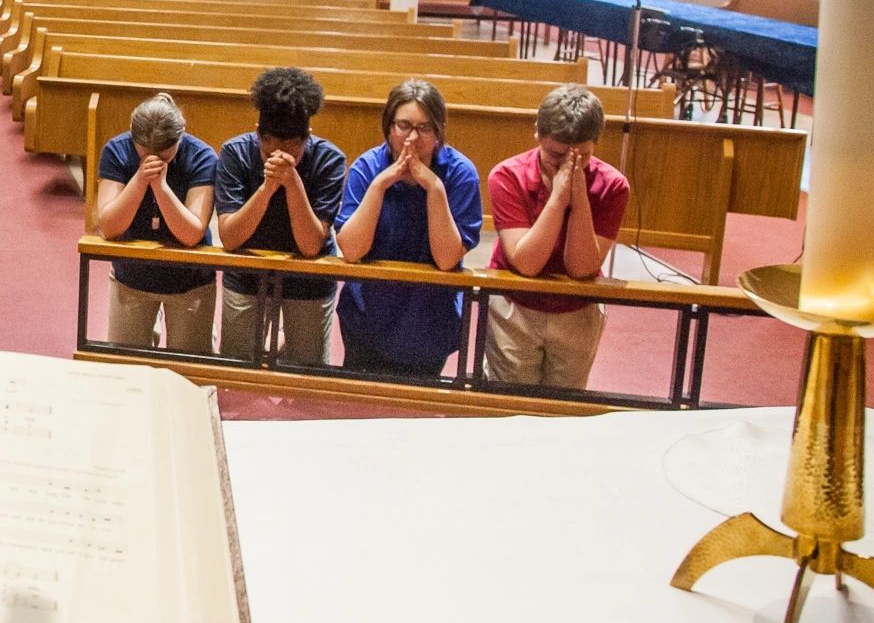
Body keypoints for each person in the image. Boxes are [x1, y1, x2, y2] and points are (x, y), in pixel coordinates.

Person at [485, 84, 632, 389]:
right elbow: (526, 263)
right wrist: (558, 199)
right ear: (537, 131)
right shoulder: (507, 175)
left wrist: (578, 198)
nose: (567, 166)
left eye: (581, 158)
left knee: (563, 409)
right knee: (509, 405)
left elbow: (581, 269)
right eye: (555, 156)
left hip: (576, 311)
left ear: (596, 142)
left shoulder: (613, 186)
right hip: (516, 307)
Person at [335, 80, 484, 377]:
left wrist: (435, 188)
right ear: (389, 127)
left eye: (425, 128)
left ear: (439, 131)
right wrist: (379, 185)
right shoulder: (367, 168)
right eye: (404, 125)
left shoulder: (460, 174)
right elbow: (351, 251)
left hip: (429, 322)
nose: (413, 137)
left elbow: (446, 259)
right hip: (367, 317)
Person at [214, 68, 348, 364]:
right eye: (269, 142)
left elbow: (311, 245)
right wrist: (267, 188)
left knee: (306, 373)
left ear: (307, 138)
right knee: (236, 365)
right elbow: (230, 237)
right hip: (247, 274)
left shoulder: (330, 160)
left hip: (308, 279)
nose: (278, 153)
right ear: (257, 131)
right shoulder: (235, 153)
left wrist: (292, 183)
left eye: (291, 146)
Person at [94, 93, 218, 353]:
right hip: (131, 277)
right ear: (132, 134)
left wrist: (161, 189)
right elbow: (109, 226)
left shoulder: (203, 157)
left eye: (165, 154)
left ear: (180, 137)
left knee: (189, 372)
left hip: (189, 281)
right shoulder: (116, 150)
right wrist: (140, 180)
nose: (154, 159)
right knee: (127, 368)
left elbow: (192, 233)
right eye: (144, 152)